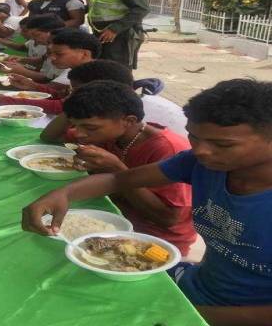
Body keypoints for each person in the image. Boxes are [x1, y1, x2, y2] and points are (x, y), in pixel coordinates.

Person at [22, 78, 272, 325]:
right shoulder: (200, 163)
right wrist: (63, 194)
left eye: (223, 144)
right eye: (194, 137)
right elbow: (119, 179)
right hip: (198, 283)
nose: (201, 150)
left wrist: (182, 313)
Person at [54, 81, 197, 255]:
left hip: (154, 239)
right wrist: (73, 109)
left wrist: (116, 168)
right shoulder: (106, 133)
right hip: (111, 214)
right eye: (75, 125)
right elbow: (50, 137)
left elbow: (168, 219)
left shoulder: (168, 149)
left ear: (129, 121)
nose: (78, 133)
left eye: (89, 127)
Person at [87, 0, 149, 69]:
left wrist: (115, 29)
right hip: (101, 34)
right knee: (102, 66)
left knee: (118, 68)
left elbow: (141, 9)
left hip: (120, 35)